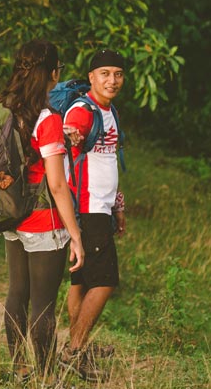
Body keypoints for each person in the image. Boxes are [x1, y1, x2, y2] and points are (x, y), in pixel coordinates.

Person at [0, 39, 85, 383]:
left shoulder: (4, 107)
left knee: (17, 292)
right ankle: (47, 377)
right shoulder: (45, 118)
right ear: (51, 73)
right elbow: (57, 184)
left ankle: (19, 369)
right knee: (43, 304)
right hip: (42, 223)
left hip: (12, 215)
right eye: (57, 70)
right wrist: (74, 233)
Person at [60, 48, 127, 381]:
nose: (112, 80)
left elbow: (106, 160)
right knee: (105, 281)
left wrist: (118, 204)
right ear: (91, 77)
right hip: (87, 208)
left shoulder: (108, 109)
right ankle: (74, 350)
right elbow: (69, 130)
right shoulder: (83, 110)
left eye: (117, 73)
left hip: (101, 206)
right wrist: (69, 134)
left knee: (83, 280)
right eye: (105, 73)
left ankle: (77, 348)